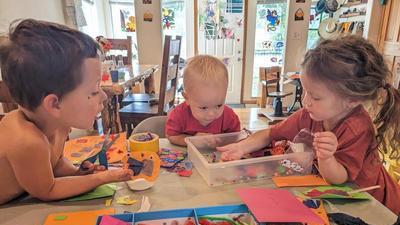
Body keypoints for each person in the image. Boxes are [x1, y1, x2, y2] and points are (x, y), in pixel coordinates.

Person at [217, 36, 400, 214]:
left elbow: (338, 178)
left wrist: (326, 158)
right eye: (305, 92)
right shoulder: (311, 114)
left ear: (351, 100)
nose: (306, 101)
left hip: (375, 204)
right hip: (340, 198)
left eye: (315, 97)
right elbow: (270, 134)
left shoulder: (357, 128)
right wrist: (240, 147)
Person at [0, 19, 133, 204]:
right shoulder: (27, 141)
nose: (103, 96)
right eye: (94, 91)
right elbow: (48, 189)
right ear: (54, 105)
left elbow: (55, 164)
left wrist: (77, 173)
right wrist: (100, 178)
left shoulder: (59, 126)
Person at [166, 55, 240, 146]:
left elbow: (236, 137)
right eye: (204, 107)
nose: (211, 114)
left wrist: (221, 141)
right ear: (187, 98)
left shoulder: (229, 117)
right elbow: (171, 136)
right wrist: (191, 141)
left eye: (219, 105)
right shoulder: (178, 115)